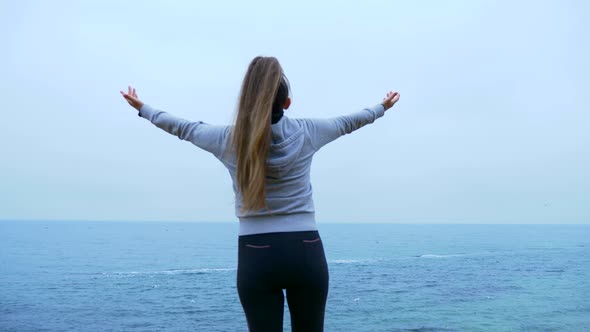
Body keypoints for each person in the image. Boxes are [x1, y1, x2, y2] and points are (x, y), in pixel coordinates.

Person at [120, 56, 400, 332]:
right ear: (287, 104)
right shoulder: (309, 131)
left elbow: (181, 128)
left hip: (257, 254)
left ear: (247, 102)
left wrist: (142, 108)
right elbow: (351, 121)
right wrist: (382, 107)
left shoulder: (228, 139)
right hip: (306, 249)